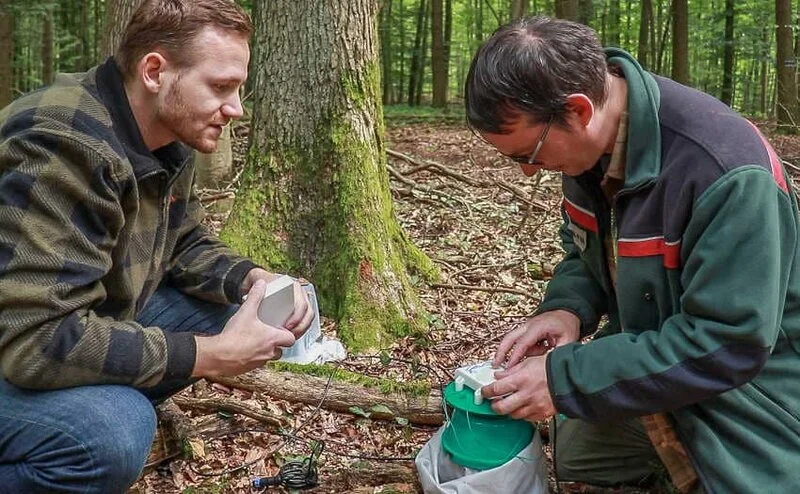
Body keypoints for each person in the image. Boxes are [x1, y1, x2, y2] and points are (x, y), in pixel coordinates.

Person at [468, 16, 800, 493]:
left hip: (753, 392)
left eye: (529, 154)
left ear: (578, 111)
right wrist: (568, 309)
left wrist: (568, 379)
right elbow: (584, 253)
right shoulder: (587, 149)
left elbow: (731, 343)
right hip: (657, 356)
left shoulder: (724, 171)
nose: (527, 173)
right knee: (579, 454)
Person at [0, 1, 315, 492]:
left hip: (63, 320)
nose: (235, 109)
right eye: (220, 87)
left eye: (238, 87)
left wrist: (254, 279)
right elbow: (37, 340)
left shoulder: (165, 135)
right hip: (21, 342)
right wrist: (208, 356)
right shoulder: (62, 144)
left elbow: (182, 243)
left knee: (233, 312)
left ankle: (75, 406)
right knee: (112, 432)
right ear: (154, 72)